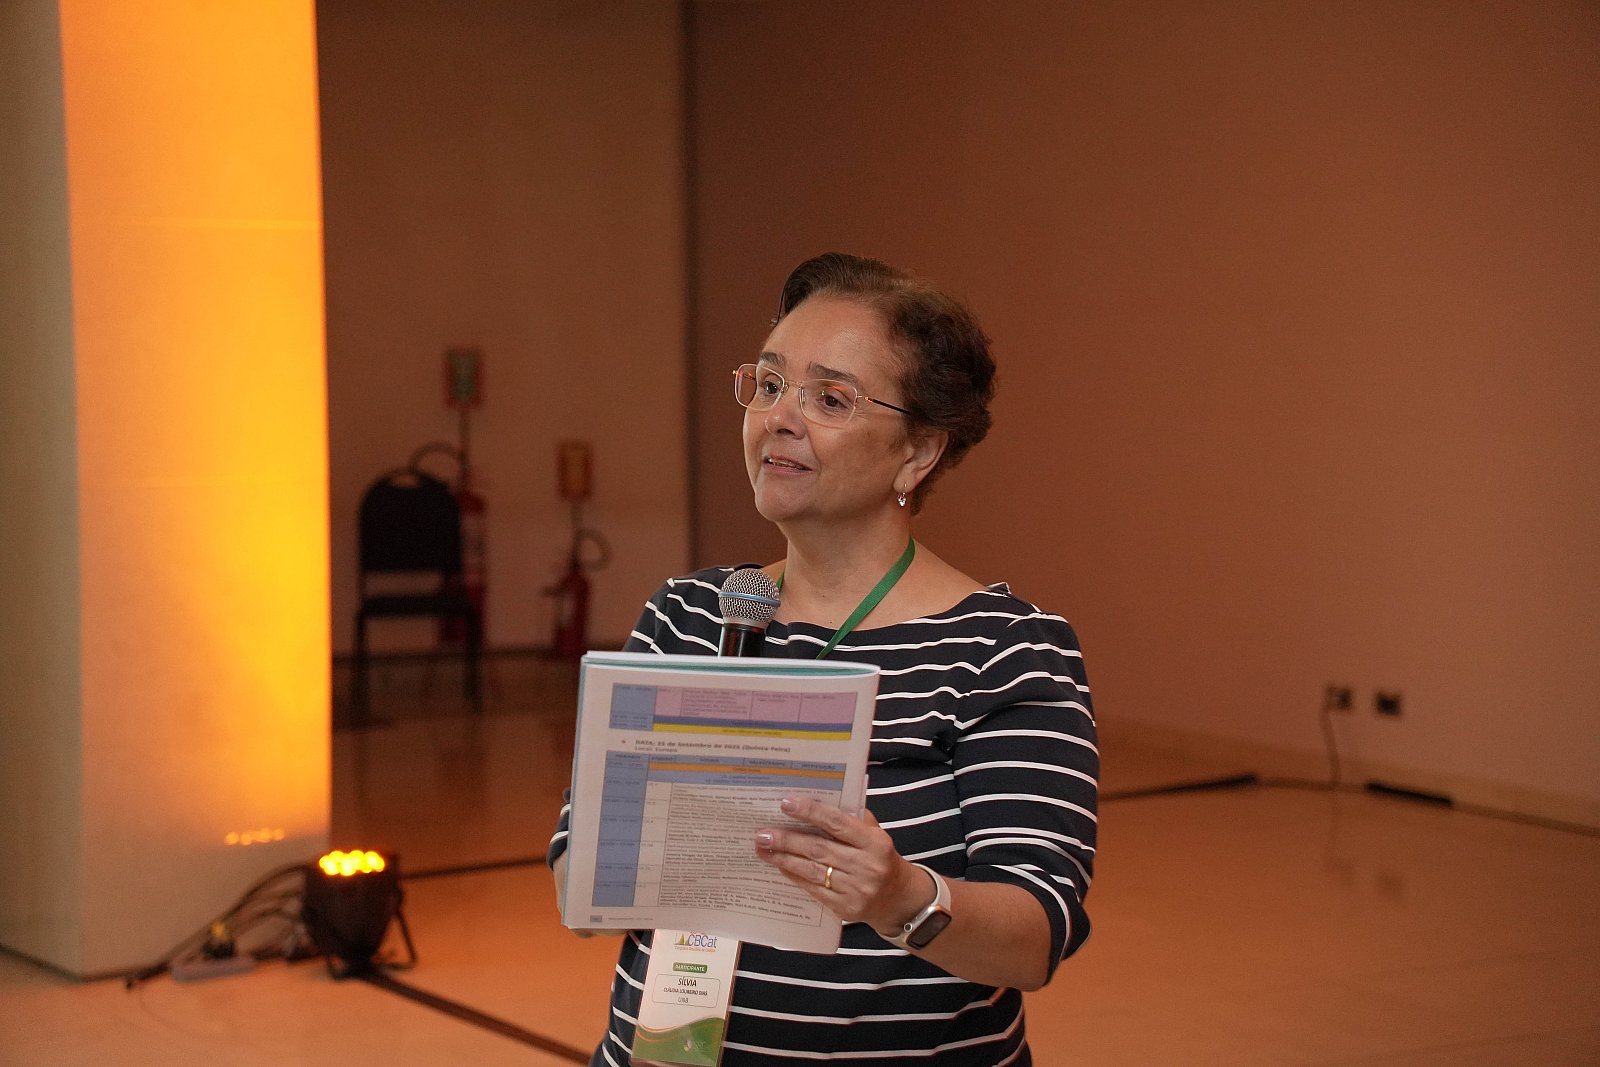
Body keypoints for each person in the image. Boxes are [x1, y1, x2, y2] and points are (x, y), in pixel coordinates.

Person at [549, 252, 1097, 1065]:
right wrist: (628, 853)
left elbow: (1034, 937)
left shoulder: (1003, 649)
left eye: (830, 398)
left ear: (918, 451)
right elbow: (576, 880)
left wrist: (900, 895)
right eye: (769, 384)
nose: (779, 416)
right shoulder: (689, 615)